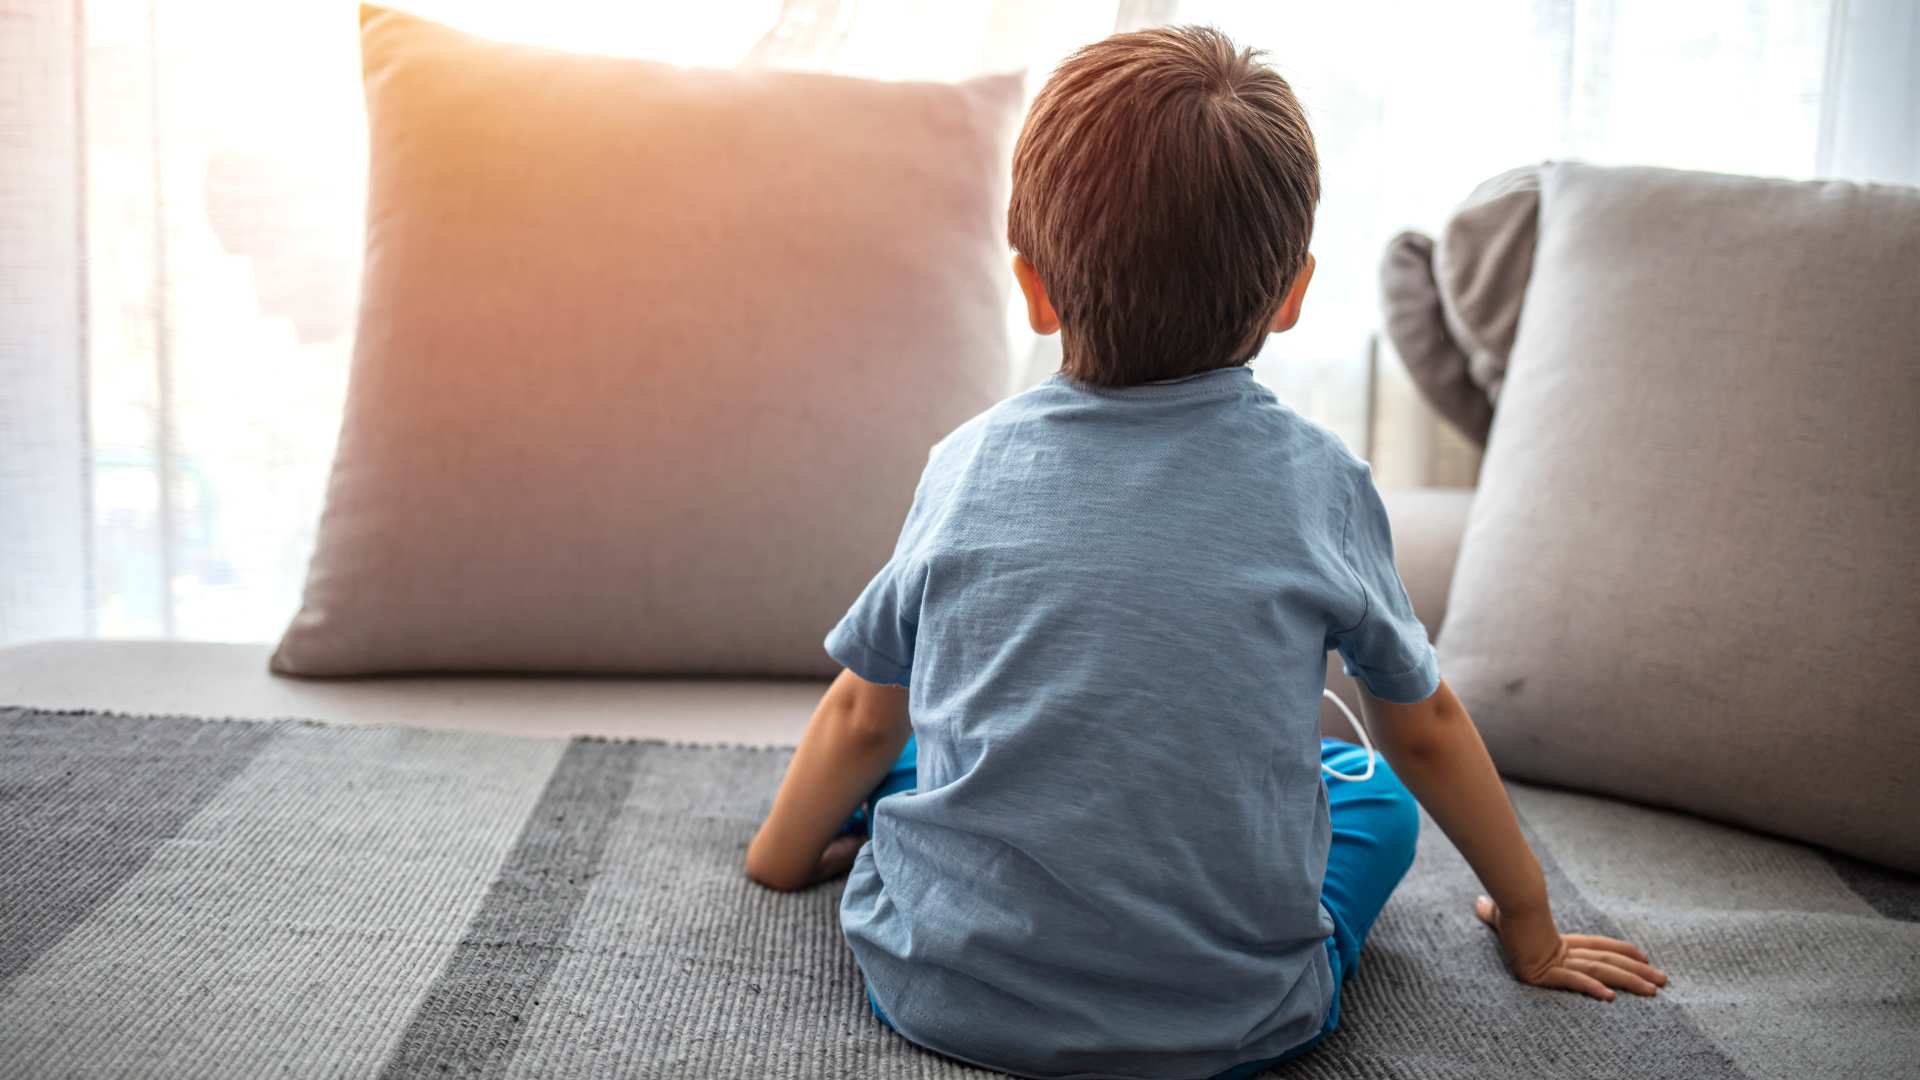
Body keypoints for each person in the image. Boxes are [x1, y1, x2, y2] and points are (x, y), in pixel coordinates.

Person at [745, 25, 1664, 1080]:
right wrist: (1533, 922)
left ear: (1034, 288)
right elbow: (1427, 732)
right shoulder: (1321, 482)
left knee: (926, 762)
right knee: (1373, 798)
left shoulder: (965, 466)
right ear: (1293, 292)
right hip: (1232, 1025)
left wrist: (777, 864)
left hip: (943, 993)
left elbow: (865, 712)